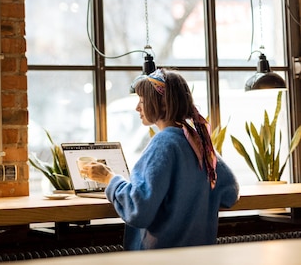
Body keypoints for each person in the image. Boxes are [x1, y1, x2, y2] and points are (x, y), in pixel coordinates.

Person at [82, 68, 239, 250]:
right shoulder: (197, 141)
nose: (137, 108)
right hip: (198, 257)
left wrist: (109, 178)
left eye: (142, 101)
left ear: (163, 104)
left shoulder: (163, 142)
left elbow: (139, 209)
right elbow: (230, 193)